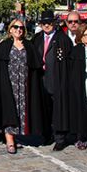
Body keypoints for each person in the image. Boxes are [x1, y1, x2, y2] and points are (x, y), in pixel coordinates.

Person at [0, 19, 44, 154]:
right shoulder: (4, 45)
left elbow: (34, 66)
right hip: (9, 83)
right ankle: (9, 140)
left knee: (21, 111)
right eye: (16, 27)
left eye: (21, 27)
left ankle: (16, 136)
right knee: (9, 109)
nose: (19, 29)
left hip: (24, 84)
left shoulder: (28, 45)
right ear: (10, 29)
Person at [32, 10, 73, 151]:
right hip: (41, 79)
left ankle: (60, 137)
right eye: (44, 23)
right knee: (44, 108)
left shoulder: (63, 39)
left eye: (49, 23)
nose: (47, 25)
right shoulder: (37, 38)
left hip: (57, 79)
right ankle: (46, 134)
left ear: (54, 23)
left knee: (59, 109)